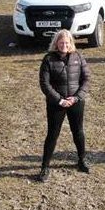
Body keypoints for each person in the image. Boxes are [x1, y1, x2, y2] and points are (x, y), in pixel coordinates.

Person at [38, 29, 91, 182]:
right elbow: (44, 84)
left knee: (78, 132)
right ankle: (45, 167)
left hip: (76, 102)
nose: (64, 45)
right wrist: (60, 100)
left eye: (67, 43)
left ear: (71, 43)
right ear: (56, 43)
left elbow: (86, 79)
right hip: (56, 103)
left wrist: (76, 98)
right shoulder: (48, 59)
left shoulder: (78, 57)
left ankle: (82, 160)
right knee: (52, 135)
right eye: (61, 42)